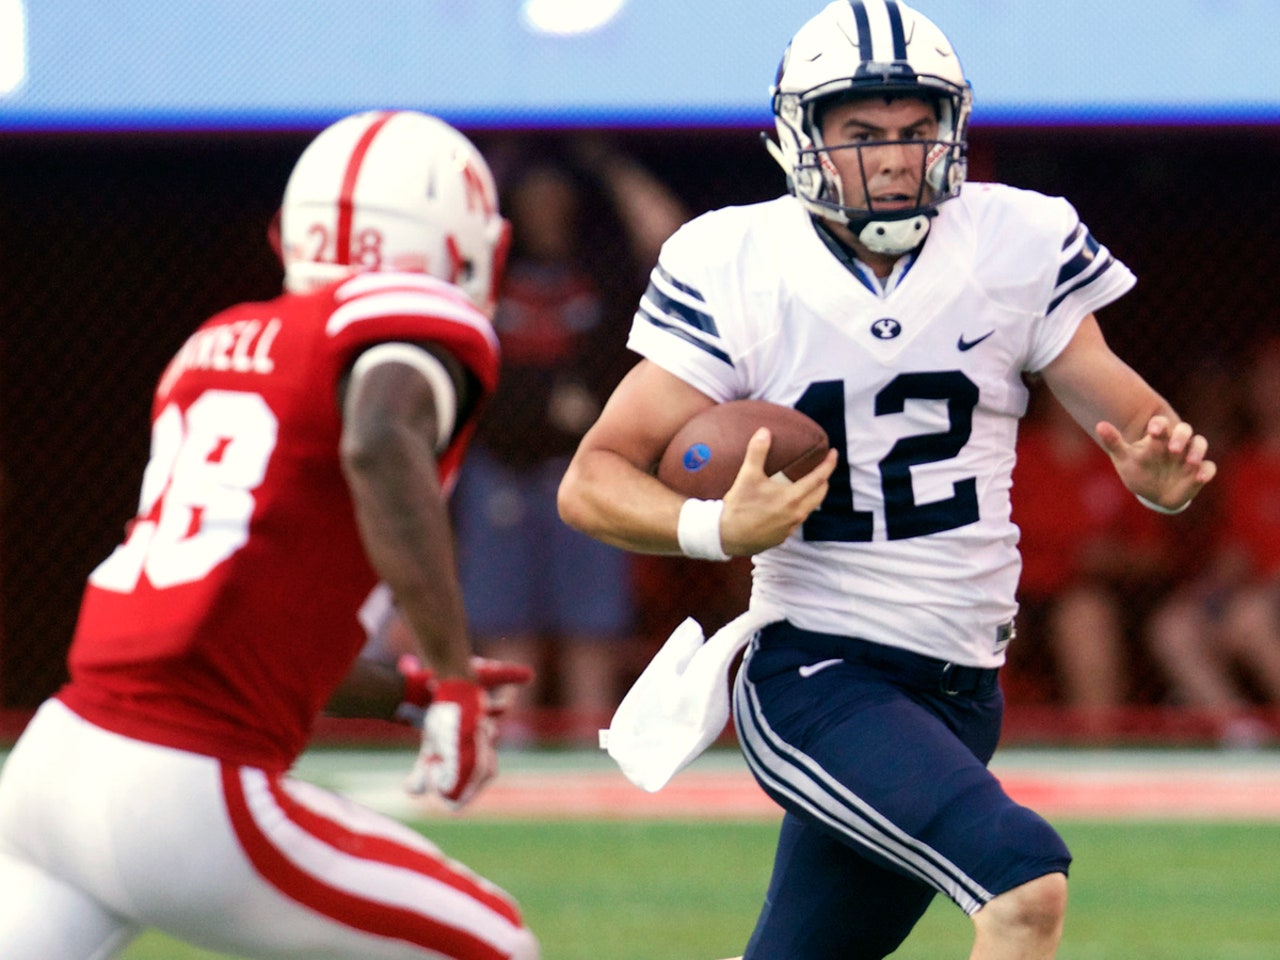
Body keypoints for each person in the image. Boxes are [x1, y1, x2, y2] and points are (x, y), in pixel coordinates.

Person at [556, 2, 1216, 958]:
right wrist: (714, 528)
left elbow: (1144, 439)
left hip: (961, 687)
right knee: (1022, 884)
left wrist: (1163, 478)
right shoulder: (736, 262)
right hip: (819, 671)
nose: (896, 159)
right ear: (801, 135)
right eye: (862, 134)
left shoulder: (1017, 241)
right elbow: (591, 479)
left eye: (915, 132)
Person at [0, 110, 539, 960]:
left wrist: (408, 690)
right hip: (183, 789)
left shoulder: (215, 344)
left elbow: (233, 627)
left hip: (53, 763)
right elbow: (378, 437)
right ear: (461, 242)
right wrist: (453, 674)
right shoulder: (412, 319)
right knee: (494, 945)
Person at [452, 144, 686, 742]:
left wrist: (609, 161)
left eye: (556, 195)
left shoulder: (601, 263)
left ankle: (590, 745)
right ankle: (509, 751)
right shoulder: (488, 268)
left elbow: (671, 237)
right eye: (532, 197)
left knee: (591, 626)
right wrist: (493, 167)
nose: (545, 209)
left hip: (584, 466)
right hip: (499, 466)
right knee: (503, 622)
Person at [1007, 388, 1173, 733]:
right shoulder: (1016, 455)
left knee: (1084, 615)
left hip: (1095, 595)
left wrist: (1113, 557)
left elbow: (1155, 554)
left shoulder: (1118, 460)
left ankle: (1099, 746)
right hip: (1017, 594)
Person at [1146, 336, 1280, 746]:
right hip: (1251, 592)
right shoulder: (1242, 463)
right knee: (1173, 625)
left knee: (1250, 618)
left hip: (1265, 597)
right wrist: (1206, 594)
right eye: (1263, 379)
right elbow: (1236, 551)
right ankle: (1241, 733)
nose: (1269, 389)